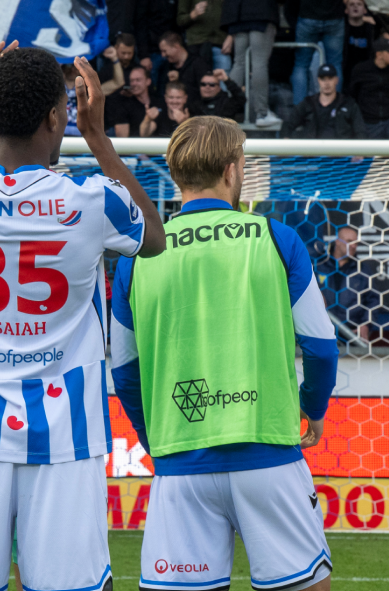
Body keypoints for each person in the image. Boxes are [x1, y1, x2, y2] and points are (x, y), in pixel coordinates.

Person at [0, 49, 165, 591]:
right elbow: (154, 237)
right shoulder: (93, 200)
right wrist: (98, 140)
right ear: (59, 116)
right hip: (64, 435)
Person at [111, 115, 336, 591]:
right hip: (269, 454)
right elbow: (320, 346)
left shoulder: (140, 254)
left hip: (181, 460)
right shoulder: (276, 238)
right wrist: (312, 408)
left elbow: (125, 372)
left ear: (175, 176)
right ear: (233, 171)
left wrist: (157, 442)